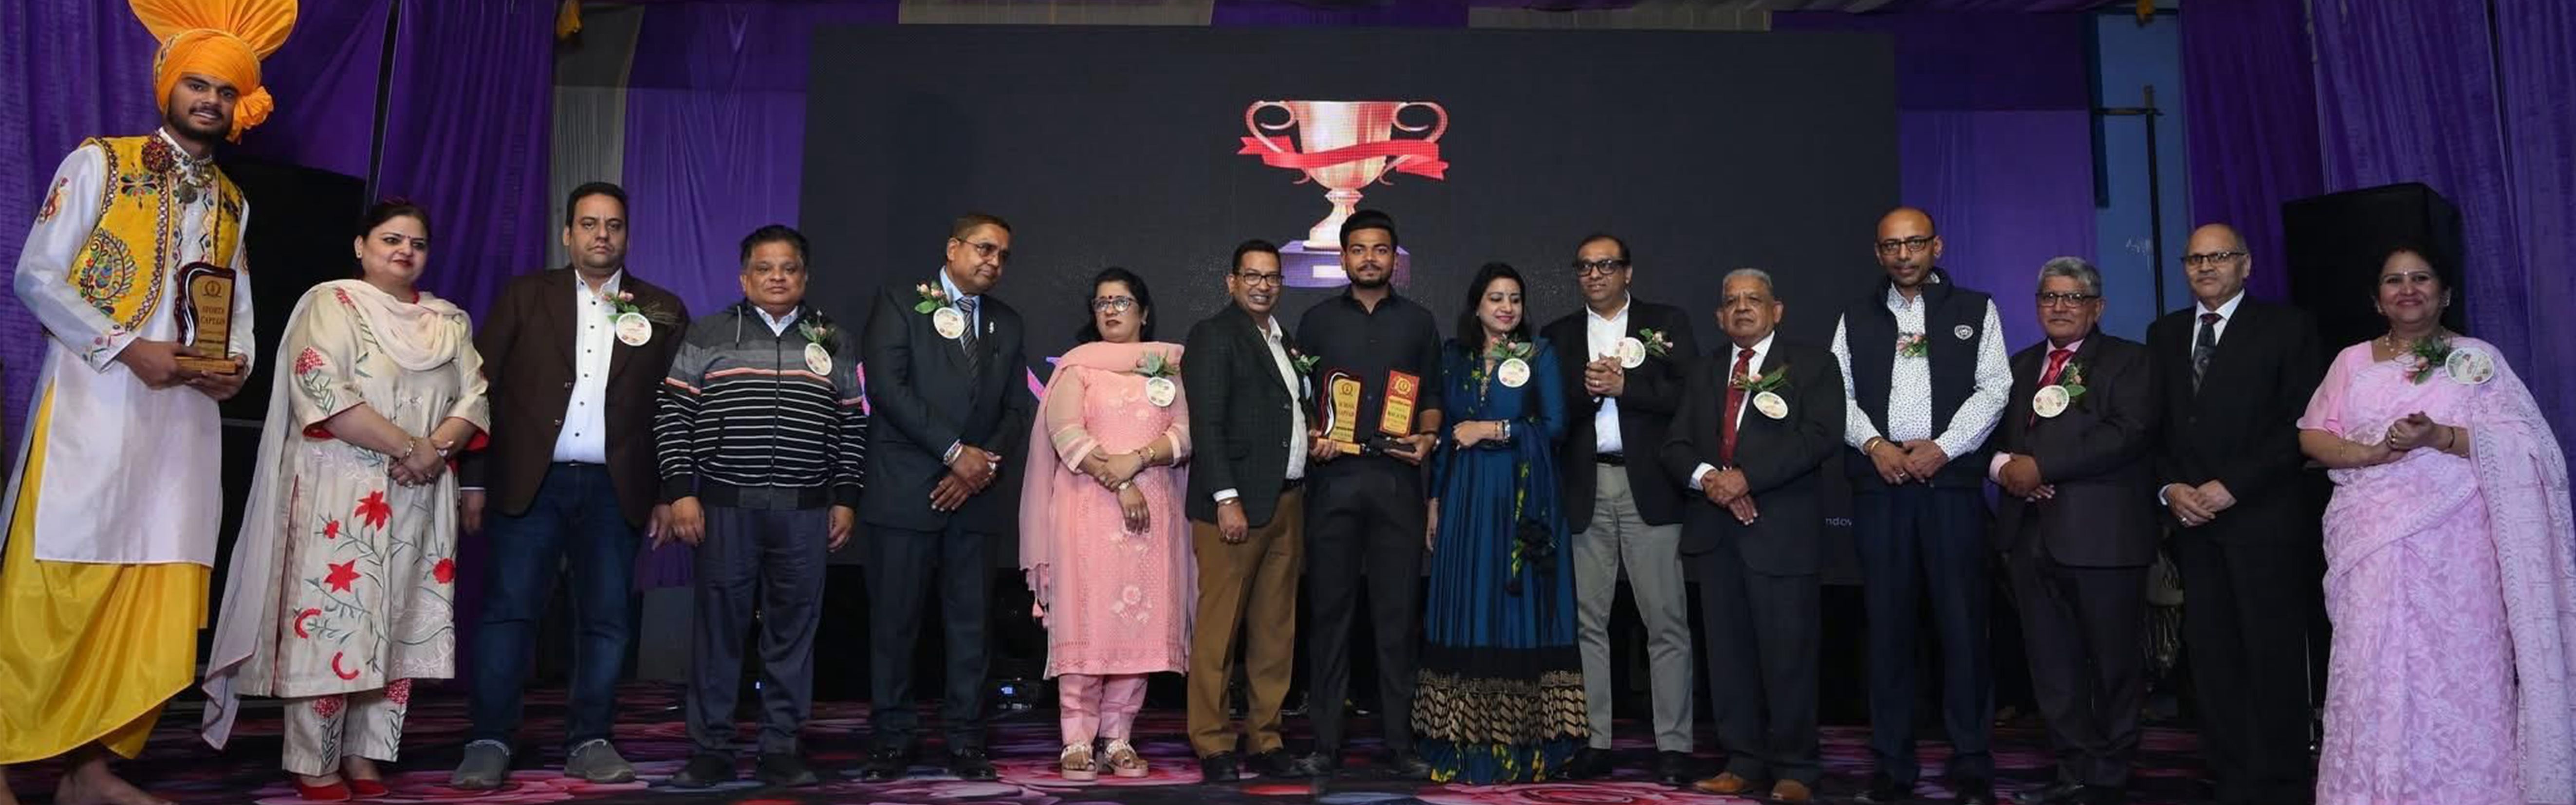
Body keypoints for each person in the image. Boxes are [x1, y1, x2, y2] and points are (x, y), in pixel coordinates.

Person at [0, 0, 286, 801]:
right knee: (60, 583)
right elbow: (35, 276)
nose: (210, 101)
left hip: (183, 425)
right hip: (93, 405)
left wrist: (237, 365)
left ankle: (90, 772)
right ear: (168, 86)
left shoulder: (232, 201)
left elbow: (241, 308)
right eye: (198, 85)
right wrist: (130, 347)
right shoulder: (100, 161)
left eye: (224, 91)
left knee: (154, 590)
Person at [201, 201, 489, 801]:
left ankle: (366, 752)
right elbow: (322, 389)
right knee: (337, 620)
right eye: (391, 239)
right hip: (343, 488)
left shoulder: (449, 322)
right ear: (361, 246)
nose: (405, 251)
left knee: (399, 619)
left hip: (420, 493)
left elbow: (475, 398)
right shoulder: (331, 304)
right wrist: (411, 447)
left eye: (417, 243)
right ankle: (314, 758)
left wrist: (432, 451)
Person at [2297, 247, 2576, 805]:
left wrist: (2439, 437)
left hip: (2458, 548)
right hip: (2371, 541)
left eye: (2420, 277)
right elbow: (2311, 434)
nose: (2407, 288)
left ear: (2444, 293)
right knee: (2371, 667)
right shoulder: (2351, 361)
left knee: (2461, 668)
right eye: (2393, 280)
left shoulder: (2477, 359)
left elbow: (2529, 447)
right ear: (2376, 299)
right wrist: (2369, 454)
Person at [452, 182, 689, 789]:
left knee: (607, 620)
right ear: (567, 233)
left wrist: (669, 491)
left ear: (627, 235)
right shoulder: (526, 295)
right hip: (528, 483)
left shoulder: (661, 307)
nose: (601, 235)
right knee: (508, 614)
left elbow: (675, 408)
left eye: (613, 225)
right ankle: (489, 739)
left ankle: (590, 739)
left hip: (617, 489)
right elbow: (479, 390)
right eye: (589, 223)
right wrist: (472, 482)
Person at [656, 225, 866, 789]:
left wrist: (845, 499)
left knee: (792, 632)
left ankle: (781, 747)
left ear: (805, 276)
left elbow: (852, 426)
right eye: (764, 268)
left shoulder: (833, 339)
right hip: (724, 506)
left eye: (789, 268)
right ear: (743, 277)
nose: (777, 277)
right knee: (718, 633)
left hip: (805, 511)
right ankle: (711, 749)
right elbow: (672, 415)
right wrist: (680, 491)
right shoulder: (708, 333)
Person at [1832, 207, 2010, 805]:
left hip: (1948, 488)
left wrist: (1945, 447)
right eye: (1891, 246)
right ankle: (1892, 760)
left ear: (1936, 247)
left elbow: (1995, 387)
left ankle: (1971, 758)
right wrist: (1874, 445)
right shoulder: (1856, 315)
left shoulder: (1975, 309)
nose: (1903, 255)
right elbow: (1838, 393)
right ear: (1877, 253)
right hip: (1880, 487)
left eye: (1913, 244)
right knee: (1887, 628)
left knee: (1962, 625)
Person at [2146, 223, 2324, 805]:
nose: (2204, 267)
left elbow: (2299, 424)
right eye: (2194, 258)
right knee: (2212, 658)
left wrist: (2231, 487)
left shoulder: (2287, 327)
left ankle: (2281, 781)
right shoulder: (2164, 332)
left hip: (2262, 519)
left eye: (2218, 256)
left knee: (2270, 654)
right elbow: (2156, 427)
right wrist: (2170, 487)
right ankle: (2229, 776)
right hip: (2192, 524)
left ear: (2245, 265)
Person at [857, 214, 1033, 782]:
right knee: (894, 624)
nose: (993, 262)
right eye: (984, 249)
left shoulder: (1006, 321)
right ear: (953, 248)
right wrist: (955, 452)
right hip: (905, 491)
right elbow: (887, 388)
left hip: (976, 496)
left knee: (970, 626)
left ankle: (966, 739)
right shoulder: (899, 302)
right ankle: (891, 739)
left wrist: (979, 466)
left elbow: (1016, 408)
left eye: (1002, 255)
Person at [1660, 269, 1841, 804]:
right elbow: (1674, 446)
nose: (1742, 308)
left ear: (1776, 310)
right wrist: (1710, 481)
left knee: (1789, 656)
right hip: (1718, 537)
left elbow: (1820, 437)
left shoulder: (1813, 365)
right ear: (1719, 317)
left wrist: (1747, 478)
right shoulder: (1704, 370)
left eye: (1753, 299)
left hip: (1781, 534)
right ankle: (1742, 760)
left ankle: (1796, 767)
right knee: (1728, 657)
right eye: (1731, 301)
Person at [1987, 258, 2159, 805]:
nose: (2059, 307)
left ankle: (2109, 772)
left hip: (2103, 536)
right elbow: (1992, 439)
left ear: (2097, 307)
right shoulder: (2018, 366)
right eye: (2048, 297)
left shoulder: (2130, 362)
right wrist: (2005, 470)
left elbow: (2127, 434)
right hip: (2028, 536)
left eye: (2072, 297)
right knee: (2051, 666)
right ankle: (2072, 769)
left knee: (2112, 663)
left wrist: (2042, 467)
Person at [1019, 268, 1195, 782]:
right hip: (1087, 513)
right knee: (1087, 622)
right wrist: (1120, 483)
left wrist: (1137, 460)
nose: (1111, 310)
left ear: (1144, 311)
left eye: (1121, 301)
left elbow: (1186, 434)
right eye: (1102, 303)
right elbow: (1065, 433)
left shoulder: (1168, 367)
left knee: (1138, 625)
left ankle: (1118, 737)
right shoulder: (1078, 368)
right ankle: (1076, 738)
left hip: (1152, 517)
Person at [1539, 233, 1701, 784]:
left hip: (1649, 487)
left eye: (1606, 265)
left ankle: (1674, 744)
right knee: (1588, 623)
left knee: (1666, 622)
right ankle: (1594, 741)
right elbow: (1549, 413)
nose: (1594, 275)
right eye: (1585, 266)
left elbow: (1689, 398)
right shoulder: (1558, 334)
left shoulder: (1666, 323)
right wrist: (1588, 393)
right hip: (1585, 486)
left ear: (1627, 272)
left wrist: (1624, 387)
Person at [1414, 261, 1584, 784]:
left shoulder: (1539, 355)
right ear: (1476, 306)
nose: (1506, 308)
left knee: (1512, 605)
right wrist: (1435, 500)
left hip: (1520, 496)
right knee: (1467, 602)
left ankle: (1517, 742)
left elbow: (1555, 426)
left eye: (1514, 298)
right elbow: (1447, 435)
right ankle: (1461, 740)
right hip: (1465, 497)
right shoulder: (1456, 358)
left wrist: (1492, 429)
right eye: (1495, 298)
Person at [1293, 210, 1443, 778]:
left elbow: (1432, 394)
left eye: (1380, 249)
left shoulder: (1420, 322)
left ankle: (1400, 742)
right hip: (1333, 481)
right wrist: (1313, 435)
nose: (1369, 259)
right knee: (1329, 616)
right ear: (1343, 257)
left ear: (1393, 258)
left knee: (1397, 618)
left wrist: (1426, 437)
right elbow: (1302, 396)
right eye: (1358, 249)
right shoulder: (1315, 321)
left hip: (1396, 481)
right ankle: (1324, 743)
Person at [1180, 240, 1318, 783]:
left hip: (1287, 501)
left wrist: (1314, 435)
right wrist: (1226, 498)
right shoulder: (1214, 335)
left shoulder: (1285, 340)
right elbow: (1207, 424)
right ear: (1231, 282)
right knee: (1220, 632)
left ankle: (1265, 737)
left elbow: (1288, 411)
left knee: (1275, 630)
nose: (1263, 286)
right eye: (1252, 276)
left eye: (1272, 277)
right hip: (1234, 508)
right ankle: (1213, 743)